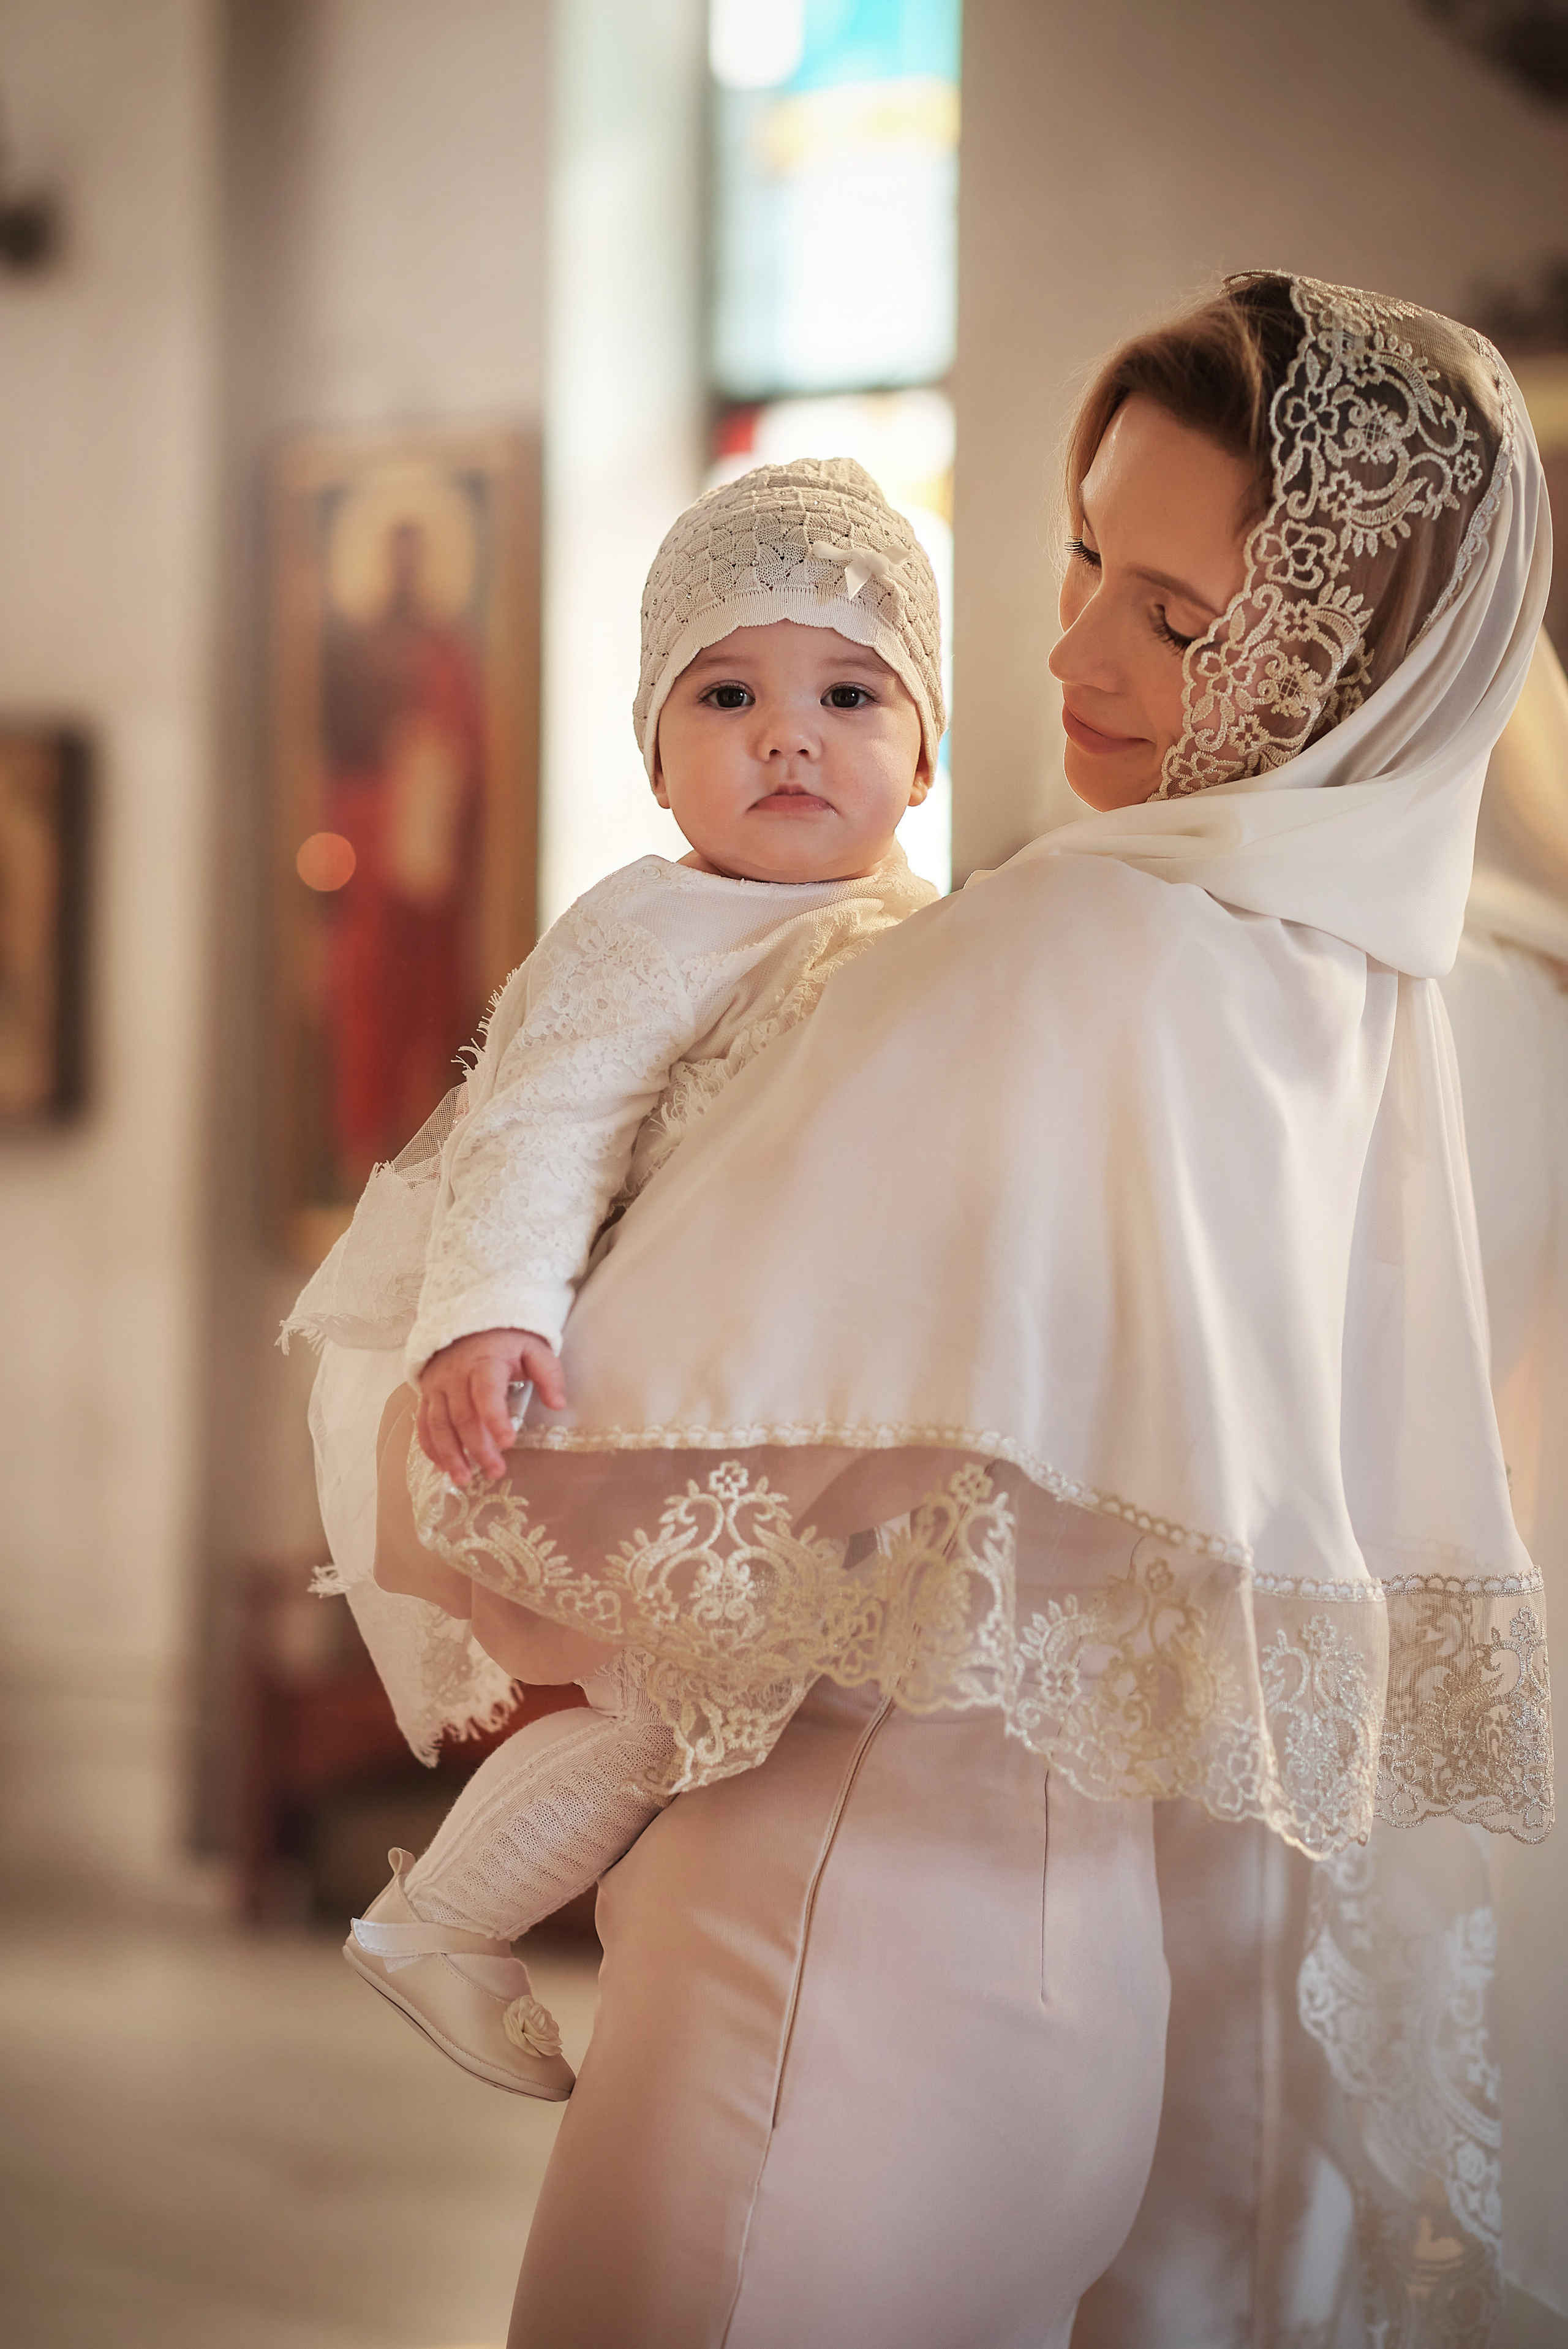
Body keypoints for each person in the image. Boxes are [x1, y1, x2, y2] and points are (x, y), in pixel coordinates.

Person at [380, 273, 1550, 2349]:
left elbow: (585, 1461)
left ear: (1337, 661)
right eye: (1084, 552)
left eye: (1177, 620)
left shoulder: (1061, 947)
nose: (1069, 648)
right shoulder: (1372, 989)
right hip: (1084, 1990)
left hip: (822, 1966)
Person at [288, 456, 941, 2098]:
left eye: (850, 692)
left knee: (728, 1698)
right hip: (628, 1392)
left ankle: (454, 1921)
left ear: (925, 750)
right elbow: (538, 1120)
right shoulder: (652, 927)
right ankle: (440, 1915)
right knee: (675, 1702)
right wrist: (489, 1312)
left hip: (801, 1401)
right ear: (657, 761)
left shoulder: (932, 931)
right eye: (728, 693)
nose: (790, 733)